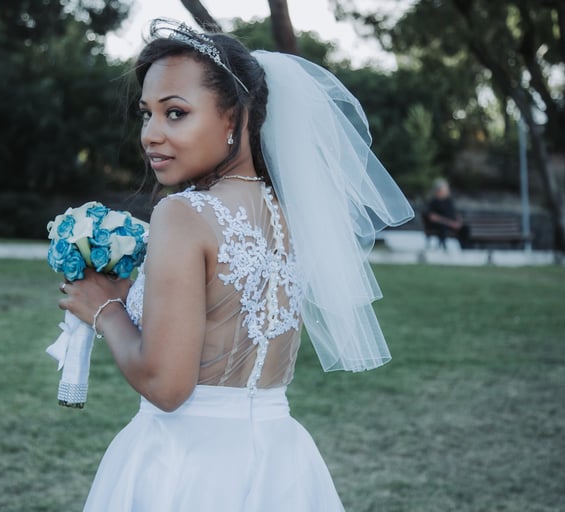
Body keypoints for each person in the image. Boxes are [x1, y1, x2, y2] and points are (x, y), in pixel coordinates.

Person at [57, 19, 413, 511]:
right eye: (146, 114)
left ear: (234, 119)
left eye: (175, 113)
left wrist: (105, 310)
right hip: (281, 460)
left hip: (188, 464)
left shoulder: (182, 215)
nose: (151, 135)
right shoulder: (291, 213)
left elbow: (167, 386)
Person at [425, 178, 469, 249]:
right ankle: (443, 248)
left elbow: (455, 213)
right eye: (445, 189)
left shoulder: (449, 201)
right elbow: (433, 217)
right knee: (442, 228)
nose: (448, 190)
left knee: (465, 228)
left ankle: (465, 248)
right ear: (439, 190)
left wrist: (459, 222)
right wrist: (450, 223)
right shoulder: (433, 202)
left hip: (452, 224)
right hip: (442, 225)